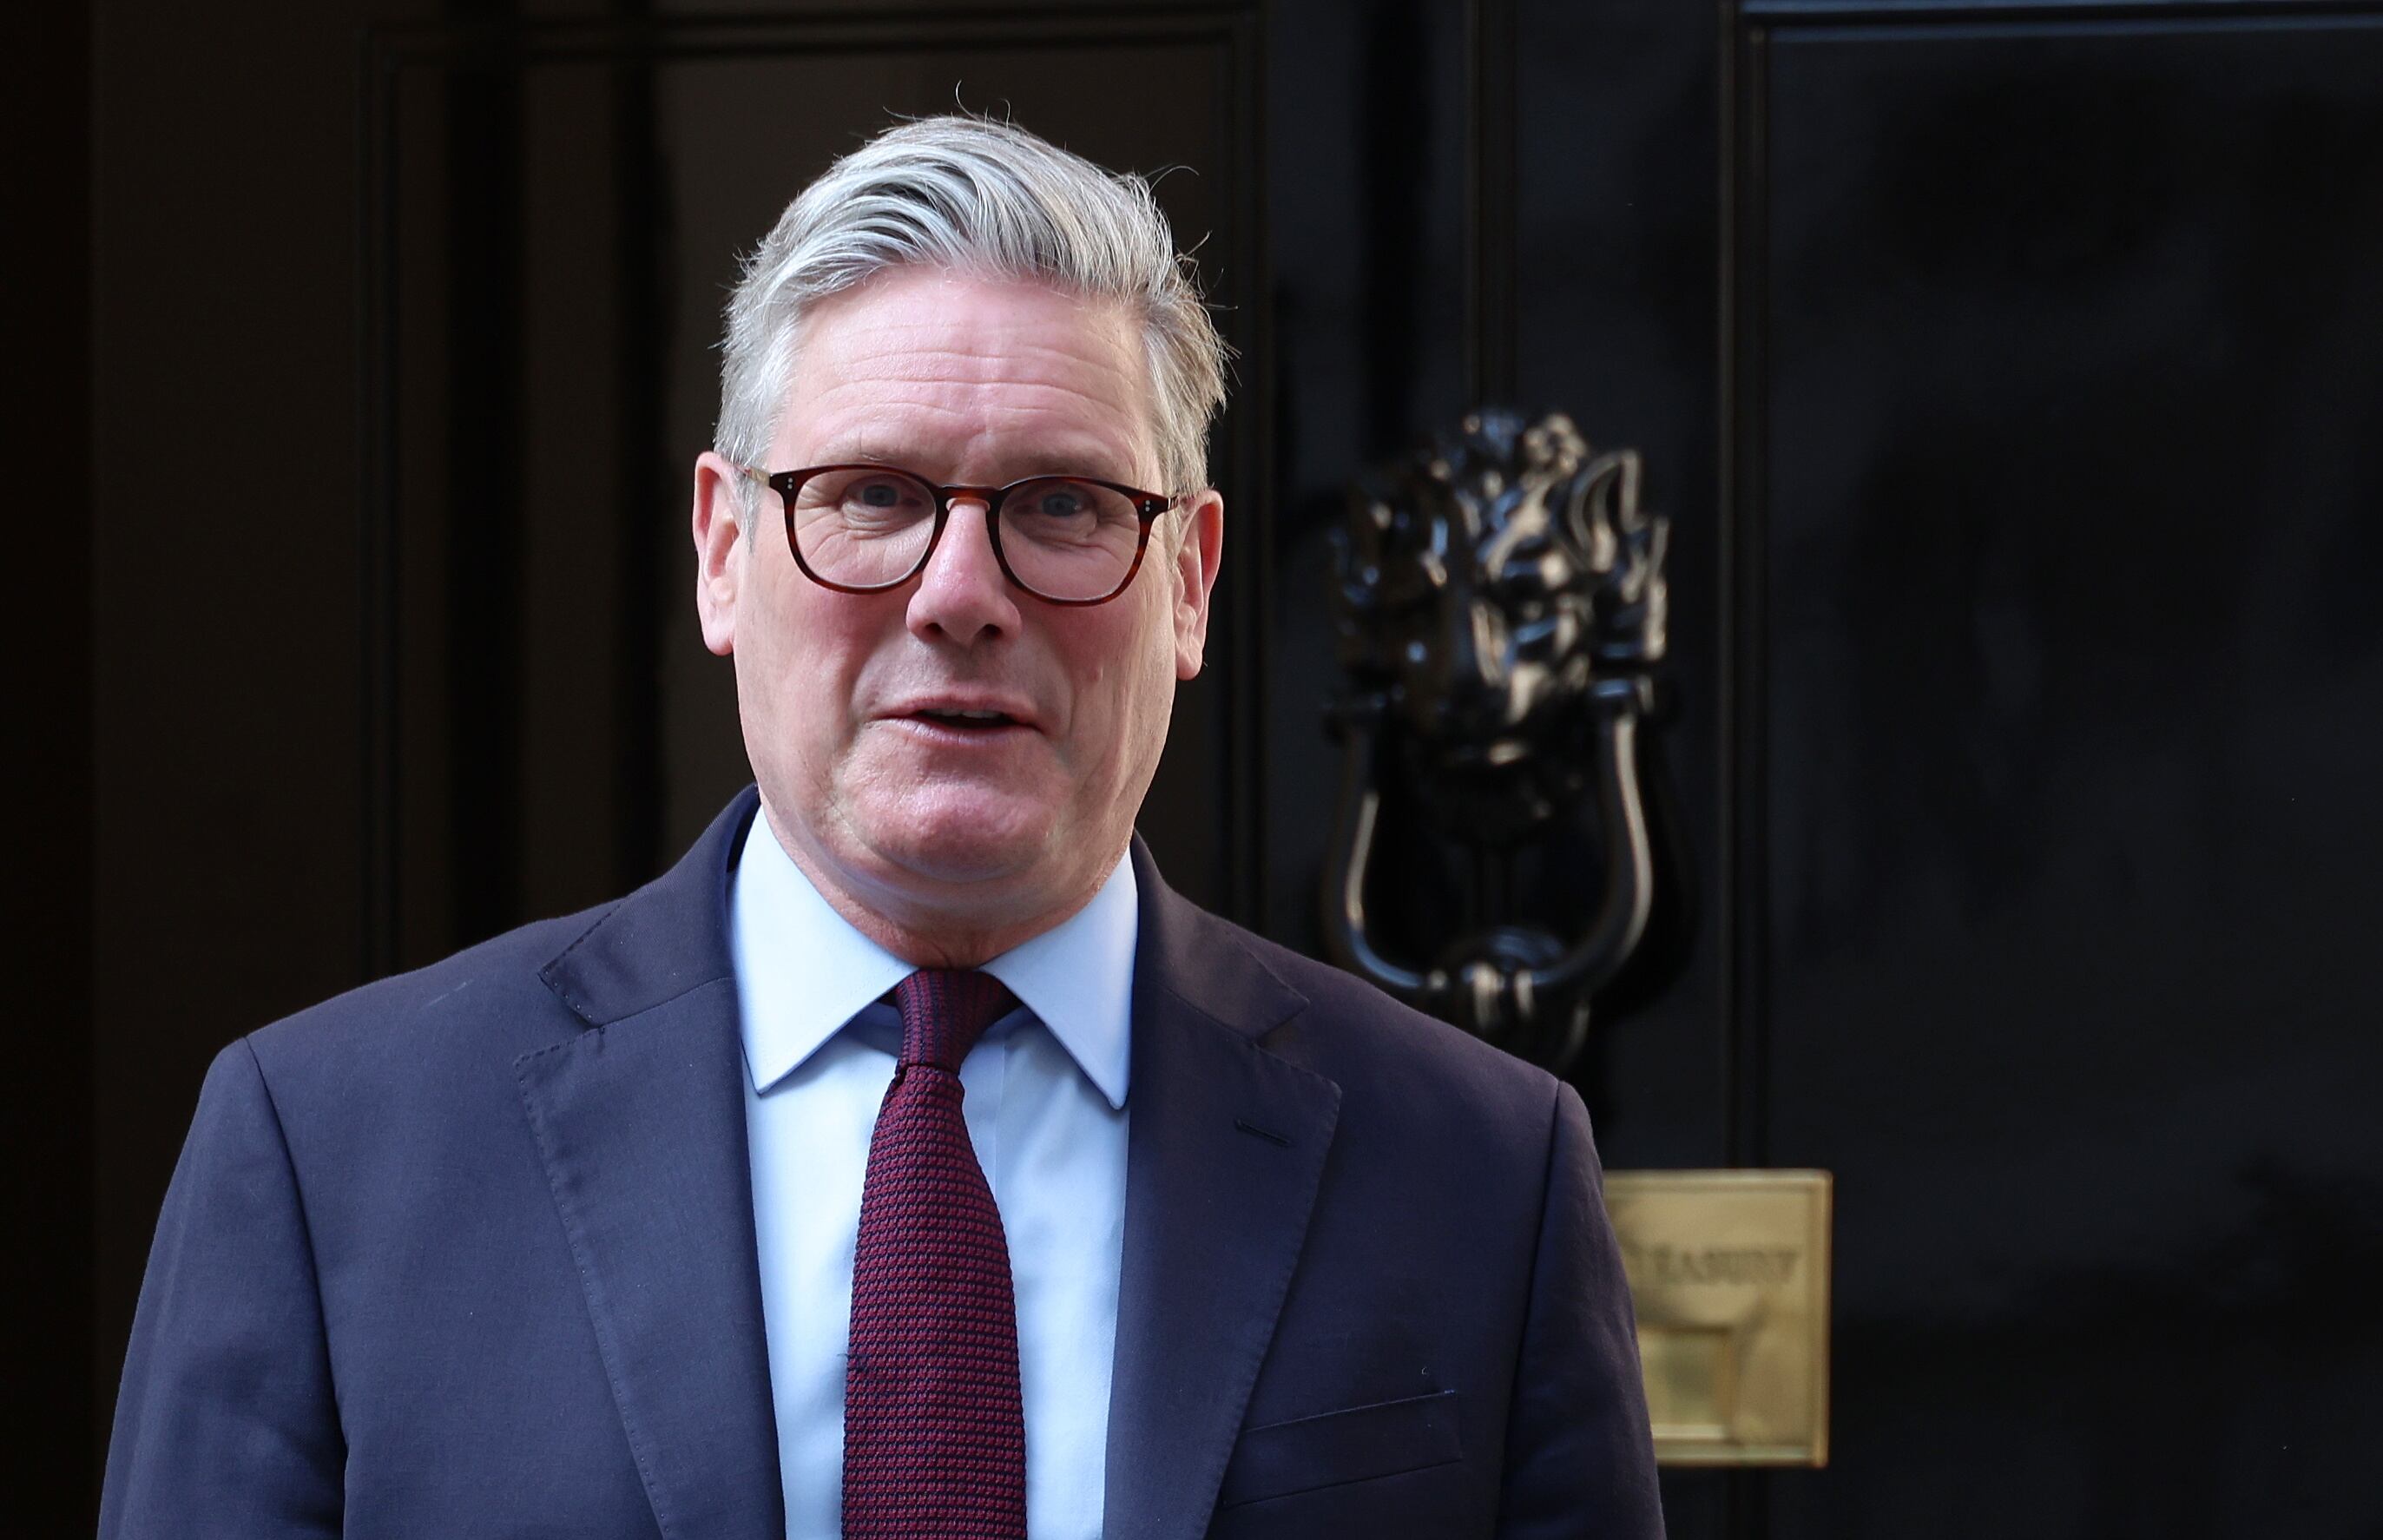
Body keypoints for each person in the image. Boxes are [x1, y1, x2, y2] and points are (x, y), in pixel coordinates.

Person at [100, 115, 1662, 1540]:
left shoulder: (1479, 1173)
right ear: (723, 550)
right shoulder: (330, 1154)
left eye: (1061, 503)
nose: (959, 595)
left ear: (1187, 580)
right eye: (868, 495)